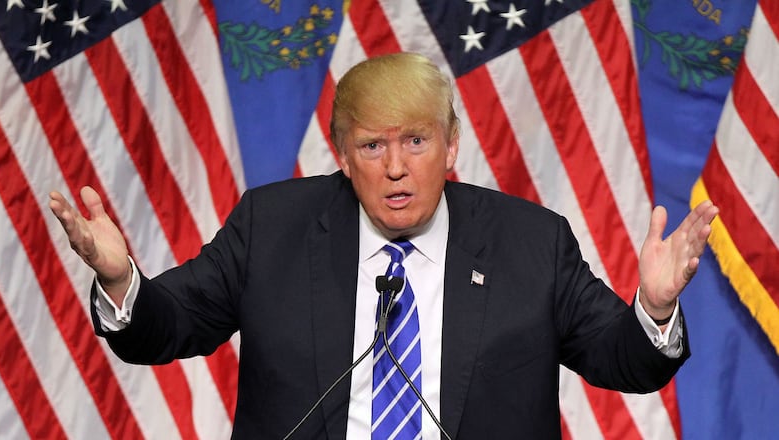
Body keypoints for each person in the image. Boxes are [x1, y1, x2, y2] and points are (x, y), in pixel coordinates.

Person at [49, 52, 719, 439]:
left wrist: (655, 309)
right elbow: (169, 327)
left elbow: (623, 361)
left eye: (416, 141)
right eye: (372, 146)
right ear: (343, 156)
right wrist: (121, 280)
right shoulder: (272, 227)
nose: (396, 168)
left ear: (451, 146)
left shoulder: (531, 242)